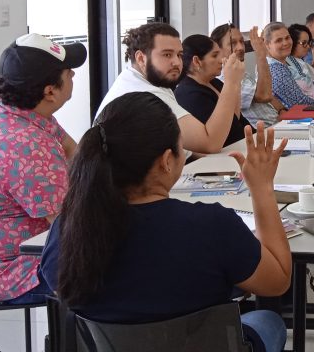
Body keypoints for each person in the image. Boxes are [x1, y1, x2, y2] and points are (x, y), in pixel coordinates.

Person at [40, 93, 291, 352]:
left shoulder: (68, 229)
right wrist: (262, 189)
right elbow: (278, 280)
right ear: (166, 161)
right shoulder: (212, 226)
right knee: (267, 321)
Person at [0, 34, 85, 305]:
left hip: (30, 252)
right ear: (50, 91)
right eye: (68, 72)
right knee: (130, 266)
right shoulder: (25, 145)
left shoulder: (11, 109)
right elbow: (71, 226)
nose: (74, 74)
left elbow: (75, 153)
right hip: (23, 271)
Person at [98, 22, 245, 154]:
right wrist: (231, 82)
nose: (177, 62)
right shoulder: (143, 94)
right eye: (167, 55)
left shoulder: (146, 80)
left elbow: (184, 148)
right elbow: (210, 143)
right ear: (141, 58)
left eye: (179, 55)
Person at [176, 34, 253, 147]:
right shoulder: (188, 94)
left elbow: (236, 118)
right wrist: (231, 82)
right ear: (197, 61)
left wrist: (235, 82)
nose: (221, 61)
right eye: (214, 55)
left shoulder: (215, 83)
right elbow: (228, 131)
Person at [210, 24, 281, 127]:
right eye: (233, 43)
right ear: (218, 49)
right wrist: (261, 55)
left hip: (276, 124)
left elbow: (268, 94)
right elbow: (265, 96)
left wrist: (282, 110)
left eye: (241, 41)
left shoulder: (239, 70)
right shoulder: (224, 78)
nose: (240, 47)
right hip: (261, 133)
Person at [263, 22, 314, 109]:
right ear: (267, 45)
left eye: (287, 38)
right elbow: (300, 103)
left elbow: (312, 84)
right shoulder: (275, 70)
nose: (285, 43)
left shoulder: (289, 60)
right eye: (278, 40)